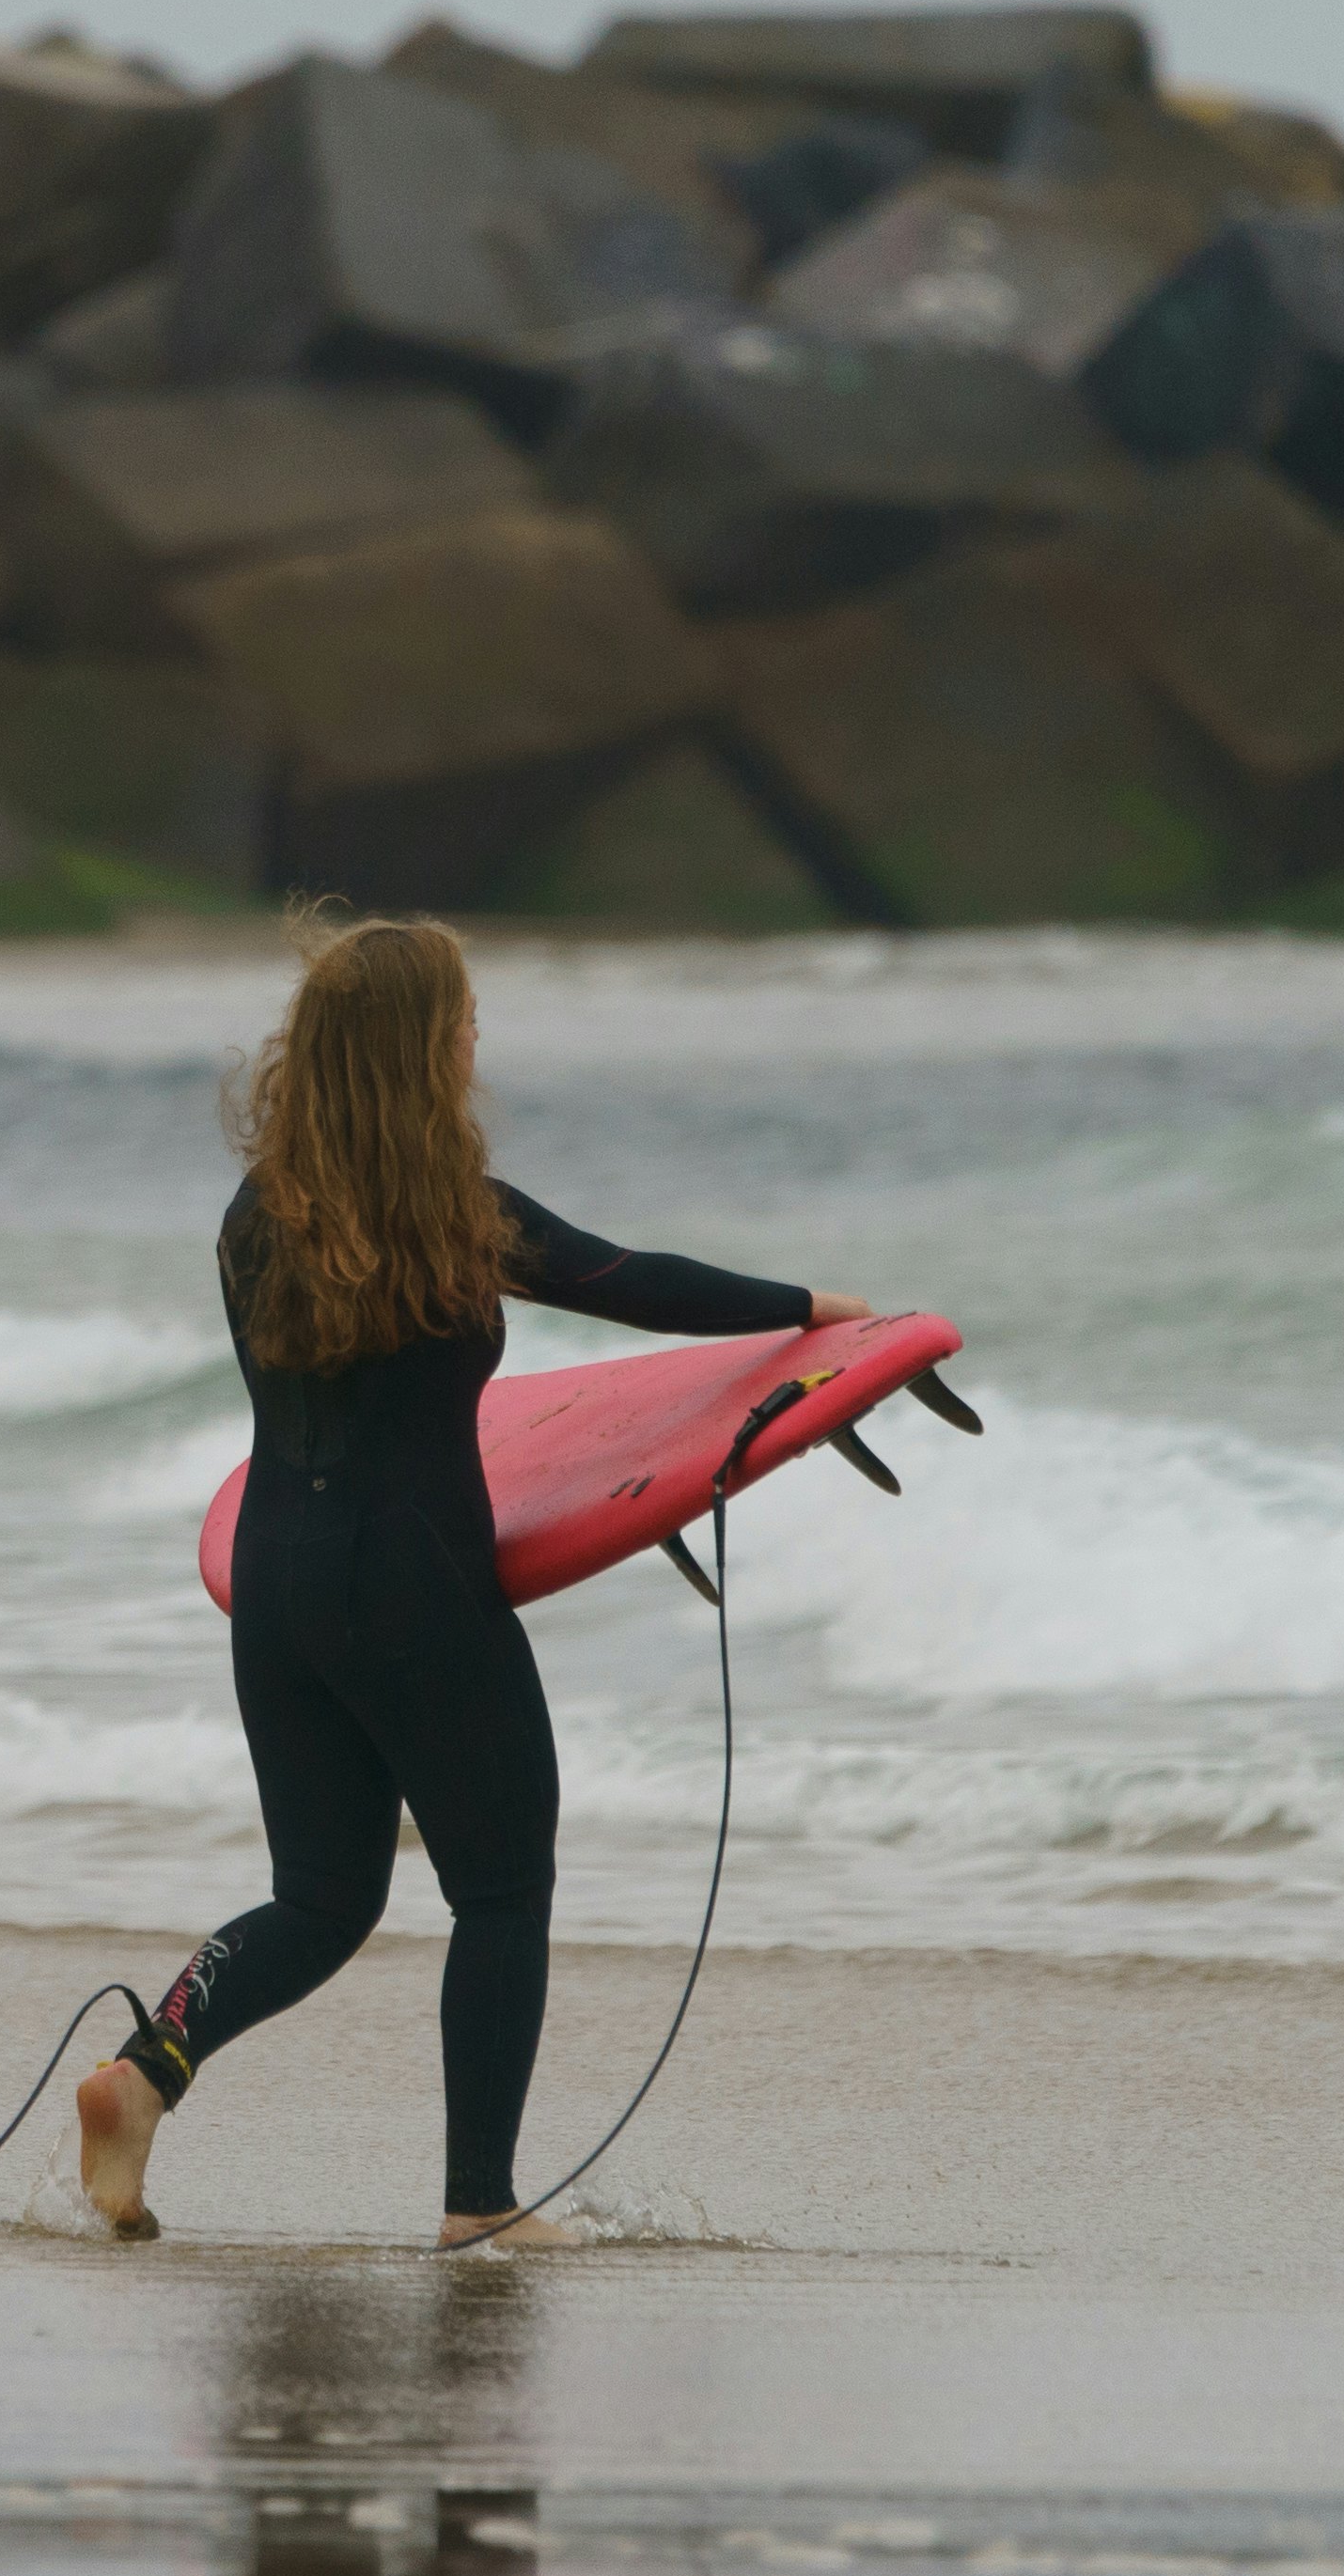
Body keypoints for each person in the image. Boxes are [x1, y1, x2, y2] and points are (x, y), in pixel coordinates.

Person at [75, 914, 864, 2252]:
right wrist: (823, 1312)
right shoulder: (456, 1216)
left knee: (322, 1897)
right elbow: (636, 1284)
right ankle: (479, 2203)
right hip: (411, 1586)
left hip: (274, 1585)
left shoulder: (253, 1217)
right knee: (499, 1890)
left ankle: (147, 2072)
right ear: (422, 1052)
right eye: (461, 1022)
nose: (475, 1039)